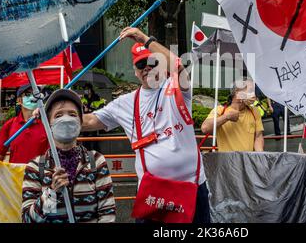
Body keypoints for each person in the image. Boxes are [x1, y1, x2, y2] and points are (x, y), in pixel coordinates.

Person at [81, 27, 210, 223]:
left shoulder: (175, 87)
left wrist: (144, 39)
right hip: (154, 194)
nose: (147, 68)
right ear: (135, 71)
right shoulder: (125, 103)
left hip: (191, 187)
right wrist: (51, 116)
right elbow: (89, 121)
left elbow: (180, 67)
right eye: (141, 64)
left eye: (153, 62)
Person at [22, 89, 116, 223]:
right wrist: (52, 194)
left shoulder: (96, 161)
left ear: (80, 121)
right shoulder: (35, 168)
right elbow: (28, 220)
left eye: (72, 114)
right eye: (58, 115)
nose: (66, 119)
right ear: (48, 124)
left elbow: (108, 214)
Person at [201, 78, 264, 152]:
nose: (253, 95)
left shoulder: (254, 111)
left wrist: (260, 157)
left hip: (247, 161)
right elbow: (204, 128)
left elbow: (258, 136)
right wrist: (226, 117)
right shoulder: (220, 110)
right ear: (237, 92)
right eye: (250, 91)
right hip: (227, 162)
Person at [0, 85, 48, 164]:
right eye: (28, 94)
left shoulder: (47, 123)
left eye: (35, 94)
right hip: (15, 174)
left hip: (41, 174)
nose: (32, 97)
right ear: (19, 100)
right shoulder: (10, 125)